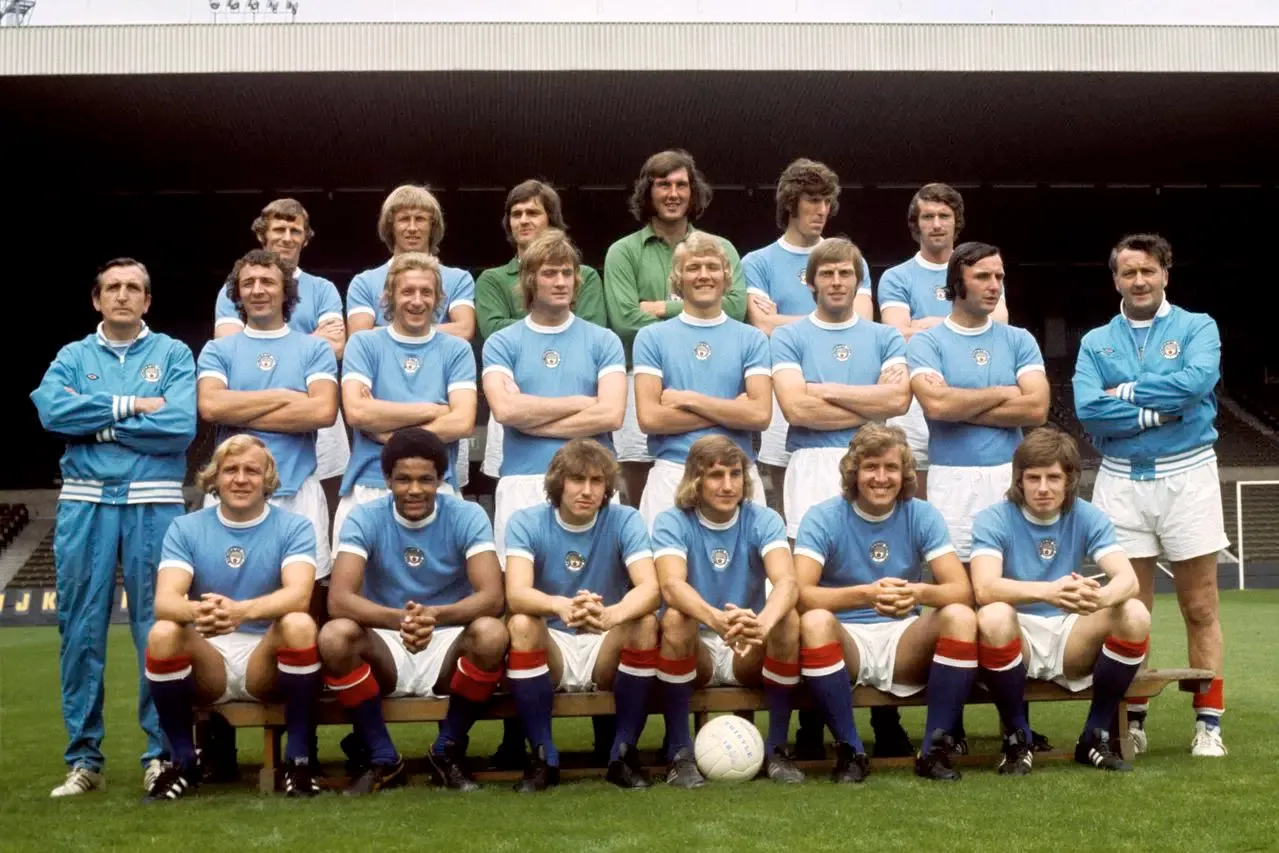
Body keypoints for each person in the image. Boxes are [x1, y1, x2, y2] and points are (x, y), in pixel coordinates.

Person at [31, 257, 196, 797]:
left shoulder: (172, 353)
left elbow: (178, 427)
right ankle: (84, 759)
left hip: (155, 503)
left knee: (159, 631)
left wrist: (94, 426)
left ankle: (160, 753)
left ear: (147, 301)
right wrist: (129, 408)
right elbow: (53, 413)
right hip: (86, 504)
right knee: (80, 630)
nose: (123, 295)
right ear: (97, 299)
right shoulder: (73, 356)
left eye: (134, 288)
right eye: (113, 288)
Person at [1073, 233, 1228, 757]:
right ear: (1115, 278)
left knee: (1200, 605)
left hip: (1188, 474)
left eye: (1148, 271)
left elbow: (1198, 381)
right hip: (1119, 477)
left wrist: (1126, 395)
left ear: (1165, 273)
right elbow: (1088, 409)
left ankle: (1209, 723)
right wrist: (1157, 410)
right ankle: (1131, 718)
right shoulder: (1097, 340)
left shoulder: (1197, 326)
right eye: (1128, 272)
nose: (1138, 281)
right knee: (1129, 608)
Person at [320, 429, 508, 794]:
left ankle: (447, 749)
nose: (415, 489)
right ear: (387, 479)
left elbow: (491, 598)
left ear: (441, 479)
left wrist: (433, 616)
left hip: (447, 639)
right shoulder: (364, 517)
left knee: (492, 632)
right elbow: (339, 600)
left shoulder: (467, 514)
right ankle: (382, 757)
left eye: (426, 479)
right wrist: (401, 620)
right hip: (386, 641)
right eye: (403, 479)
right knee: (334, 635)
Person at [142, 436, 322, 801]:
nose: (241, 479)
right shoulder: (186, 527)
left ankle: (298, 761)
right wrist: (200, 612)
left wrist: (241, 611)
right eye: (231, 470)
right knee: (162, 632)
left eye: (252, 470)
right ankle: (182, 761)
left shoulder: (294, 526)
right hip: (210, 658)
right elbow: (165, 601)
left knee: (299, 624)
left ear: (268, 478)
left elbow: (300, 595)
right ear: (215, 478)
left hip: (264, 659)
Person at [794, 425, 978, 782]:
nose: (881, 478)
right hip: (845, 639)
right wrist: (865, 594)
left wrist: (917, 593)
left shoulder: (921, 514)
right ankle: (850, 751)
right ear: (853, 473)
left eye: (891, 468)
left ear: (905, 472)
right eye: (871, 467)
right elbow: (801, 593)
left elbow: (961, 589)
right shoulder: (822, 516)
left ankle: (935, 750)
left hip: (902, 638)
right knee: (814, 621)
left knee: (959, 616)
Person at [970, 427, 1151, 773]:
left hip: (1070, 635)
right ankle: (1017, 737)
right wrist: (1049, 590)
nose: (1042, 488)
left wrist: (1098, 599)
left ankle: (1094, 735)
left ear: (1069, 479)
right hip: (1015, 631)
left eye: (1053, 477)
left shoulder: (1087, 515)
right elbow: (984, 587)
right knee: (992, 615)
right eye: (1033, 477)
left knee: (1134, 613)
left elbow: (1127, 579)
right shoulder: (994, 518)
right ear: (1018, 479)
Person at [503, 439, 660, 791]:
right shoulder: (526, 521)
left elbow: (650, 588)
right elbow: (516, 593)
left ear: (607, 487)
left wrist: (610, 615)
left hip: (606, 639)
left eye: (597, 481)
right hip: (555, 640)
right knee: (522, 623)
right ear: (559, 482)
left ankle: (622, 754)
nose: (587, 490)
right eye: (577, 480)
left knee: (646, 623)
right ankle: (544, 756)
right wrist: (561, 605)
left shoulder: (625, 519)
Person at [653, 436, 803, 787]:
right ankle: (679, 752)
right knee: (675, 618)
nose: (728, 485)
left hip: (747, 646)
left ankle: (777, 748)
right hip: (699, 646)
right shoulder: (672, 521)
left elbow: (787, 583)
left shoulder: (762, 518)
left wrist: (762, 625)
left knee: (788, 619)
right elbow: (671, 586)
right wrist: (715, 618)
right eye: (716, 475)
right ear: (695, 480)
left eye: (735, 474)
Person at [603, 149, 747, 506]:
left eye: (681, 185)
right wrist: (691, 316)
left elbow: (735, 307)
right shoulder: (622, 252)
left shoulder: (720, 248)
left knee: (720, 480)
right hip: (645, 375)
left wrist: (662, 307)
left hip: (714, 373)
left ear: (692, 191)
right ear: (647, 192)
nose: (673, 193)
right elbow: (623, 320)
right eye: (663, 184)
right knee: (640, 481)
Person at [482, 229, 626, 567]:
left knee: (601, 588)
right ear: (530, 280)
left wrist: (531, 420)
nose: (561, 281)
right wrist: (581, 402)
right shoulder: (501, 343)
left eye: (567, 273)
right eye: (549, 273)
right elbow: (504, 409)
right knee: (520, 597)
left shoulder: (604, 341)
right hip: (524, 478)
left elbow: (611, 416)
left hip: (594, 480)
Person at [197, 249, 339, 581]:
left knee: (300, 603)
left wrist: (238, 411)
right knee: (224, 591)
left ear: (286, 291)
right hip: (232, 488)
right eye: (248, 283)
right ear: (237, 293)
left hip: (296, 490)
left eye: (267, 282)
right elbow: (211, 407)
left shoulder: (314, 349)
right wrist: (283, 396)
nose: (257, 290)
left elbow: (323, 410)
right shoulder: (217, 350)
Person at [742, 159, 873, 508]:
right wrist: (828, 318)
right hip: (786, 392)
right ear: (790, 202)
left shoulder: (851, 260)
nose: (822, 210)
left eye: (827, 201)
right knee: (790, 513)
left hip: (847, 391)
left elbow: (862, 321)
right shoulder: (756, 262)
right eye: (813, 199)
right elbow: (763, 327)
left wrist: (785, 319)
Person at [906, 242, 1048, 562]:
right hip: (951, 478)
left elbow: (1037, 409)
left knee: (1012, 585)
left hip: (1008, 475)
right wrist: (1005, 391)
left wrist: (959, 405)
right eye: (983, 276)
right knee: (959, 593)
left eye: (999, 276)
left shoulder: (1019, 339)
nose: (994, 285)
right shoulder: (927, 342)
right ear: (957, 283)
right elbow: (937, 407)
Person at [213, 198, 349, 509]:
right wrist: (307, 347)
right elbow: (232, 347)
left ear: (305, 237)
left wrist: (277, 348)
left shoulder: (323, 288)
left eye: (295, 230)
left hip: (310, 415)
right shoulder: (235, 287)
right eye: (278, 229)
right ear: (263, 234)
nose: (287, 237)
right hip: (260, 413)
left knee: (316, 502)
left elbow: (336, 347)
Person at [771, 237, 910, 539]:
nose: (836, 282)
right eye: (827, 273)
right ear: (811, 283)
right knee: (809, 567)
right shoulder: (787, 337)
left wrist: (823, 390)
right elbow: (796, 409)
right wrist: (873, 404)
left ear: (858, 281)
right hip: (811, 460)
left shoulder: (886, 337)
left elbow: (898, 401)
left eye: (845, 273)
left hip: (874, 461)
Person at [336, 252, 477, 547]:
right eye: (407, 291)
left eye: (427, 292)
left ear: (439, 299)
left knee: (438, 591)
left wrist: (386, 430)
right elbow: (357, 412)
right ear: (388, 297)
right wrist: (433, 410)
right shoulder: (364, 343)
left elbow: (463, 421)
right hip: (368, 484)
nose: (417, 300)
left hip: (436, 486)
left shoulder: (457, 349)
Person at [878, 184, 1009, 498]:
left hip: (971, 387)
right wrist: (959, 327)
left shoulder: (984, 272)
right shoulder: (897, 277)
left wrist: (925, 326)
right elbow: (896, 333)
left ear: (956, 221)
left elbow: (999, 324)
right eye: (928, 216)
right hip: (915, 397)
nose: (936, 224)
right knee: (911, 496)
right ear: (916, 224)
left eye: (944, 216)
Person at [633, 233, 772, 528]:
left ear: (726, 276)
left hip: (736, 474)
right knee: (664, 572)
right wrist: (731, 413)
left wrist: (687, 400)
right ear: (678, 278)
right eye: (694, 267)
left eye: (712, 267)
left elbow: (759, 415)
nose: (704, 275)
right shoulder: (651, 337)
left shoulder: (752, 338)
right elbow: (650, 418)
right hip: (673, 471)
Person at [476, 180, 608, 483]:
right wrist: (579, 405)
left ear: (551, 218)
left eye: (532, 212)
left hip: (576, 425)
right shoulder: (492, 279)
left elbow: (590, 327)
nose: (523, 220)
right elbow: (493, 328)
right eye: (516, 213)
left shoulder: (585, 274)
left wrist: (529, 419)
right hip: (528, 445)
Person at [346, 184, 477, 486]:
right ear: (390, 225)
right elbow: (359, 337)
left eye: (422, 219)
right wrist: (434, 410)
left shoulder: (457, 278)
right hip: (374, 468)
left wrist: (388, 431)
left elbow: (464, 329)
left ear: (434, 226)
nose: (413, 227)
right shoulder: (364, 282)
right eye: (404, 219)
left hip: (435, 460)